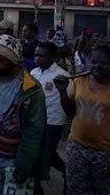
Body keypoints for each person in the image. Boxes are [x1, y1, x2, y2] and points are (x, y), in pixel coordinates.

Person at [54, 46, 110, 195]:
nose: (98, 66)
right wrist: (62, 91)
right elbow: (70, 111)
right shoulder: (80, 81)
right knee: (76, 189)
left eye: (104, 63)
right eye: (94, 62)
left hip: (107, 153)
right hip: (77, 148)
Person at [0, 35, 47, 195]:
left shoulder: (31, 89)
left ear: (14, 60)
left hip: (16, 159)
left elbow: (34, 130)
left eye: (1, 60)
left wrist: (24, 164)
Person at [30, 41, 70, 193]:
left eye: (41, 55)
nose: (37, 58)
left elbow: (69, 100)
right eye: (36, 54)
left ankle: (36, 186)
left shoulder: (62, 76)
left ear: (53, 58)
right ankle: (67, 171)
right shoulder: (34, 73)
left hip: (53, 122)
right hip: (35, 121)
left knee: (44, 155)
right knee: (44, 153)